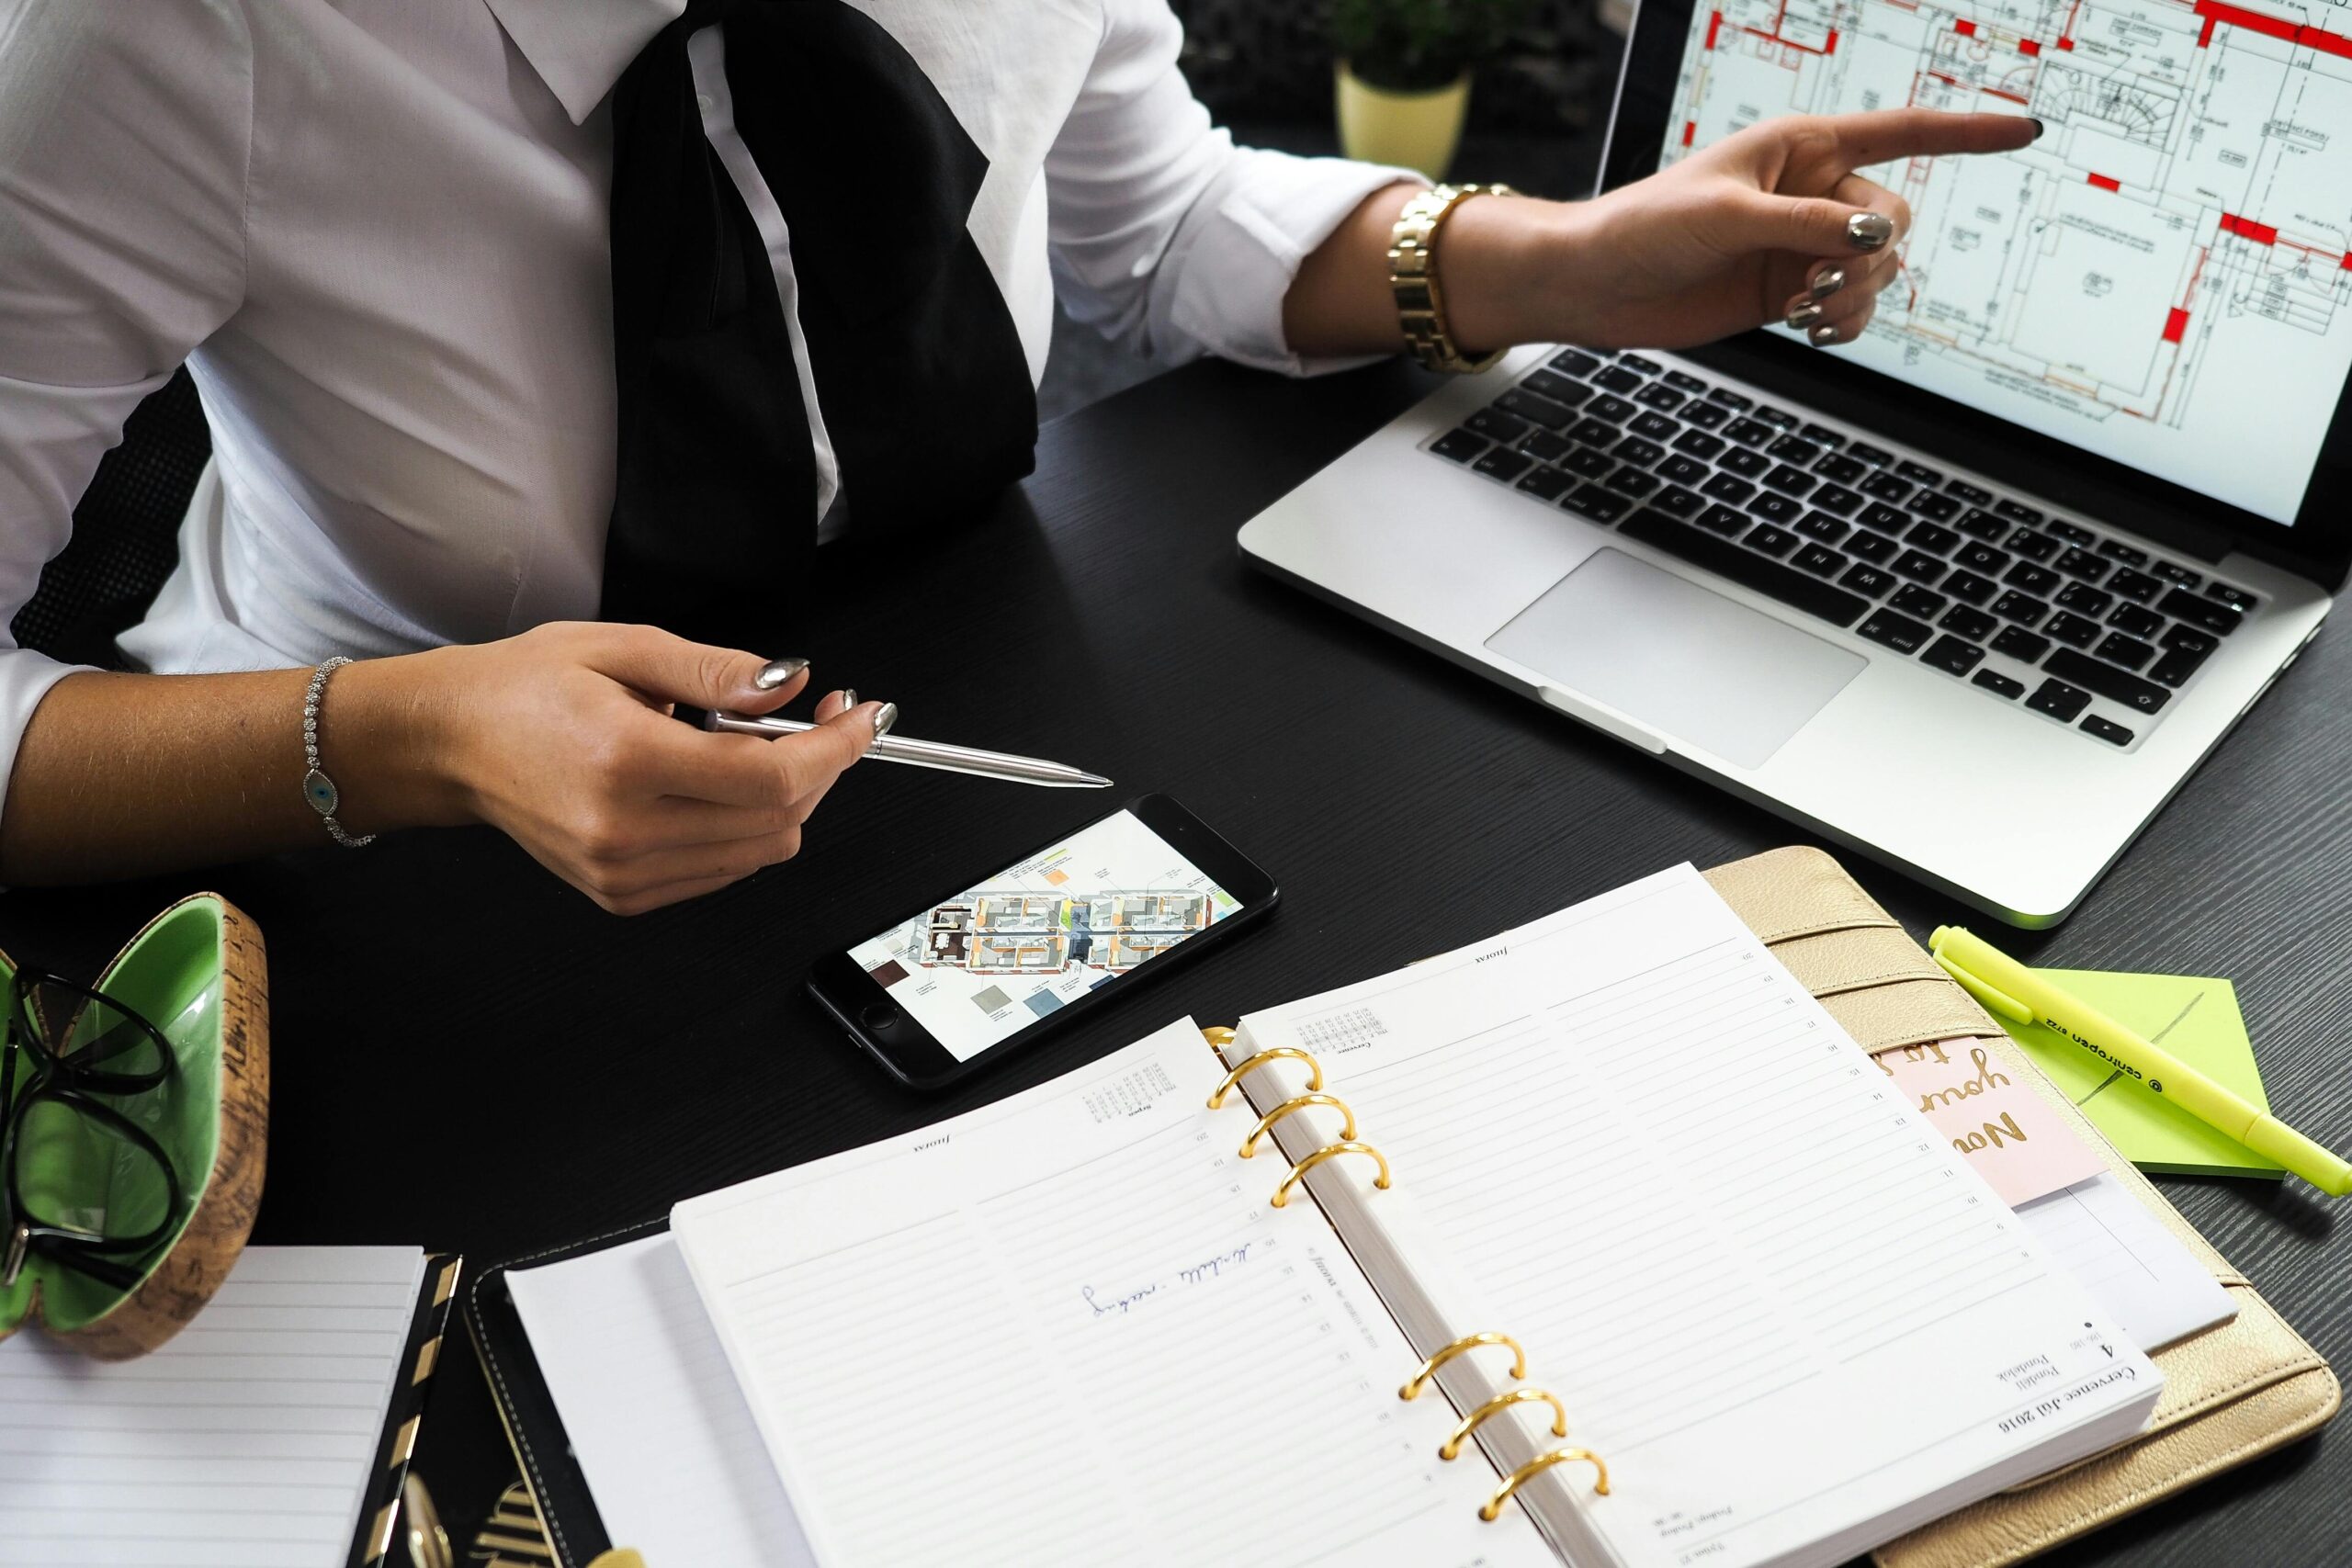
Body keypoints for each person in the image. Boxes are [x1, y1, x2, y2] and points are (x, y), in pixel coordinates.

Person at [0, 1, 2033, 914]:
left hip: (961, 715)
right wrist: (413, 735)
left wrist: (1548, 262)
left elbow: (1137, 230)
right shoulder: (157, 31)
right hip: (404, 876)